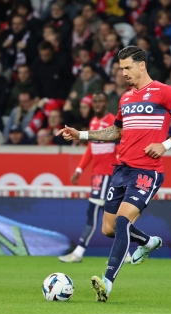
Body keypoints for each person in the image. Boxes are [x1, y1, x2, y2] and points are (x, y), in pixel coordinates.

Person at [57, 46, 171, 302]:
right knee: (108, 228)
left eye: (127, 67)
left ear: (142, 65)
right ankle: (147, 242)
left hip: (147, 171)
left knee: (123, 222)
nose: (123, 73)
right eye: (121, 68)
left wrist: (165, 145)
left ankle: (107, 282)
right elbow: (115, 132)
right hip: (121, 170)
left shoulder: (164, 92)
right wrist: (81, 135)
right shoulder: (125, 99)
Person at [59, 92, 130, 263]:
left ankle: (79, 253)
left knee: (97, 214)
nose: (97, 104)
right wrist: (79, 169)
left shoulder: (114, 121)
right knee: (110, 216)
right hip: (97, 176)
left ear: (106, 103)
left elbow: (122, 148)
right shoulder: (93, 122)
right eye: (95, 101)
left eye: (101, 101)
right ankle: (124, 253)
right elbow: (91, 149)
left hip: (108, 175)